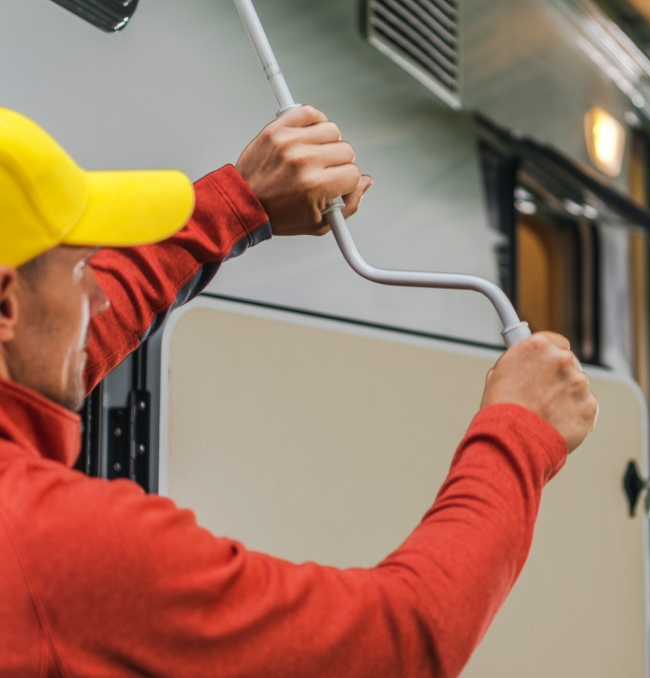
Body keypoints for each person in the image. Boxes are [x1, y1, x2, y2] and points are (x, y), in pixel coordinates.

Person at [0, 106, 598, 676]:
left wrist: (239, 203)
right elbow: (397, 643)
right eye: (80, 268)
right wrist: (519, 433)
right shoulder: (51, 548)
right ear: (6, 305)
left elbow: (79, 321)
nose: (97, 298)